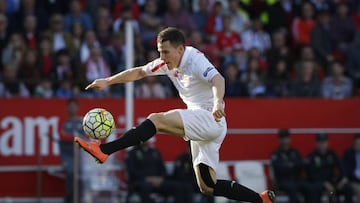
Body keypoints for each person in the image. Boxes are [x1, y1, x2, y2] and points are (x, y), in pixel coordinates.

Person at [74, 27, 275, 203]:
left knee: (156, 120)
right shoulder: (165, 62)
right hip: (204, 123)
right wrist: (108, 81)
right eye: (159, 52)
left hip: (209, 117)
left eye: (166, 52)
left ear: (180, 49)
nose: (162, 57)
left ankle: (105, 150)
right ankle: (260, 199)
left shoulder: (195, 59)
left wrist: (216, 103)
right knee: (207, 186)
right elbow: (139, 72)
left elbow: (218, 80)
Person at [306, 133, 354, 203]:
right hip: (320, 185)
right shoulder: (312, 156)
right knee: (318, 190)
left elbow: (341, 167)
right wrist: (324, 183)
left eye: (324, 142)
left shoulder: (332, 154)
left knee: (347, 189)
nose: (322, 144)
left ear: (328, 143)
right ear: (316, 143)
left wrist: (343, 178)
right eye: (320, 142)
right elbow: (311, 175)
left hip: (332, 184)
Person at [270, 129, 315, 203]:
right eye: (283, 138)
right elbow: (279, 169)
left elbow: (301, 165)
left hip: (296, 180)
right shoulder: (276, 154)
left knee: (310, 187)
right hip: (282, 181)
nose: (285, 141)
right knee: (292, 188)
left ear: (289, 139)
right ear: (279, 140)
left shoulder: (295, 152)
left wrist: (290, 165)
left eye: (286, 138)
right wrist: (293, 165)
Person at [343, 134, 360, 203]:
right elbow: (348, 171)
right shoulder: (349, 154)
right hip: (354, 181)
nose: (358, 146)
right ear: (353, 144)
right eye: (357, 144)